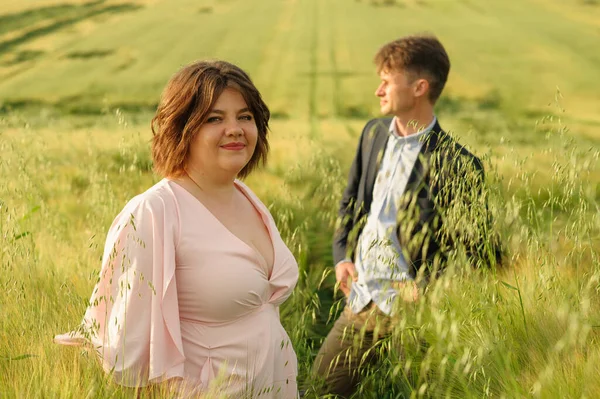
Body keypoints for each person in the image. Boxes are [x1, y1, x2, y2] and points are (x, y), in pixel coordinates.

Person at [55, 60, 299, 398]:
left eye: (245, 116)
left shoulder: (246, 197)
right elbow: (128, 345)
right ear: (182, 128)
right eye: (214, 118)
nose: (235, 128)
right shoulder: (154, 213)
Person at [312, 34, 501, 397]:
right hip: (362, 300)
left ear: (419, 87)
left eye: (386, 81)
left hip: (416, 317)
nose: (378, 91)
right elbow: (350, 204)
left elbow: (481, 254)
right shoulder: (372, 133)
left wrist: (427, 291)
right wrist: (342, 257)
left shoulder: (458, 165)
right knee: (319, 389)